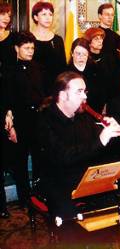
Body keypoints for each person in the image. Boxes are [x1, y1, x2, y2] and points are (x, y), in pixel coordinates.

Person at [36, 71, 120, 220]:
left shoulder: (83, 117)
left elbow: (102, 149)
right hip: (56, 180)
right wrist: (101, 140)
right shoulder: (44, 121)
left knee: (117, 203)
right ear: (63, 95)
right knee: (71, 220)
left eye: (85, 91)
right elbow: (63, 157)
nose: (85, 96)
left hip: (83, 176)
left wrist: (113, 133)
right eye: (79, 92)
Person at [2, 31, 45, 210]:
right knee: (19, 163)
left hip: (38, 120)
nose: (30, 51)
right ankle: (24, 198)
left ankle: (39, 194)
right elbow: (6, 100)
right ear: (16, 49)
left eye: (32, 48)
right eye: (26, 48)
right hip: (19, 122)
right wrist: (10, 126)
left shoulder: (37, 67)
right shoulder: (9, 70)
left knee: (40, 159)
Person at [0, 3, 16, 218]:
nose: (6, 18)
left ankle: (2, 205)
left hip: (4, 101)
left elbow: (12, 79)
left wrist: (9, 111)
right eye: (2, 14)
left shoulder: (11, 40)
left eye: (8, 15)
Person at [31, 1, 66, 95]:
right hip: (33, 87)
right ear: (35, 17)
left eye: (50, 14)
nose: (48, 18)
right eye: (44, 14)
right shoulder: (28, 38)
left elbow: (62, 67)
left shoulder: (58, 40)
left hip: (54, 88)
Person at [67, 38, 106, 113]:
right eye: (78, 53)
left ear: (88, 54)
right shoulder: (66, 72)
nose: (81, 57)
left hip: (94, 112)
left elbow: (102, 94)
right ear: (72, 53)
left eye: (84, 54)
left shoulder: (97, 70)